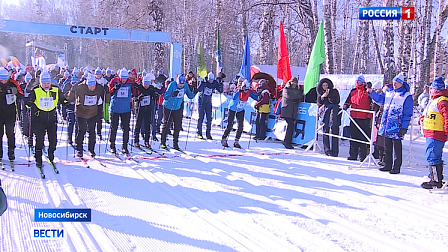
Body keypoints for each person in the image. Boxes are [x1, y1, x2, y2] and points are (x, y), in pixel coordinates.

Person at [368, 73, 413, 174]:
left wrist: (404, 127)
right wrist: (371, 92)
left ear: (401, 83)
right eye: (393, 83)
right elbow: (380, 99)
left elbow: (408, 113)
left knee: (397, 146)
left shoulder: (406, 95)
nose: (394, 85)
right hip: (386, 124)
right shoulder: (389, 92)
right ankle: (387, 164)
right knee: (387, 145)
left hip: (397, 124)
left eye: (396, 83)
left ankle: (397, 166)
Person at [26, 71, 67, 167]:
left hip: (51, 118)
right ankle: (38, 158)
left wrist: (65, 102)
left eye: (48, 83)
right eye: (44, 83)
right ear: (40, 83)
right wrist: (29, 103)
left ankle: (51, 154)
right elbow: (29, 101)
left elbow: (62, 98)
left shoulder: (56, 90)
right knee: (39, 140)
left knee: (53, 140)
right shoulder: (36, 90)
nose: (46, 85)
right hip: (39, 119)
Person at [420, 77, 448, 189]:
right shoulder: (434, 100)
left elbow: (446, 116)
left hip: (436, 133)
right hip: (431, 132)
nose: (430, 90)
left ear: (436, 89)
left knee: (432, 156)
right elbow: (429, 113)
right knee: (433, 155)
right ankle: (433, 176)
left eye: (432, 88)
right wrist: (422, 119)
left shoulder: (442, 101)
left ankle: (436, 180)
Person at [67, 73, 104, 157]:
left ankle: (91, 149)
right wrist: (72, 90)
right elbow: (70, 99)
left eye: (93, 85)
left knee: (92, 131)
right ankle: (79, 149)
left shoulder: (99, 88)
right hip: (81, 112)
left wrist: (107, 91)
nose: (92, 87)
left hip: (93, 112)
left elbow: (106, 99)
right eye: (90, 85)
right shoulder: (80, 87)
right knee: (81, 131)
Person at [160, 74, 196, 150]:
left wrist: (195, 92)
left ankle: (175, 143)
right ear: (177, 82)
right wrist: (172, 94)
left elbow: (190, 96)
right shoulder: (172, 85)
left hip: (178, 108)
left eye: (182, 84)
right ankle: (163, 142)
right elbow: (165, 97)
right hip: (168, 107)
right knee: (167, 124)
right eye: (179, 84)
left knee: (177, 126)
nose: (181, 86)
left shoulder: (185, 86)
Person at [343, 75, 372, 161]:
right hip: (354, 117)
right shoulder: (353, 91)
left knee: (362, 138)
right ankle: (353, 155)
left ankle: (362, 156)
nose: (357, 82)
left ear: (363, 82)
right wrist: (345, 105)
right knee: (353, 137)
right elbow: (348, 101)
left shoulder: (367, 92)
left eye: (359, 81)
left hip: (364, 118)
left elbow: (372, 103)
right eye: (357, 81)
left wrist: (369, 117)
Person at [221, 79, 258, 148]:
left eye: (247, 89)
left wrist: (258, 93)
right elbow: (234, 97)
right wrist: (240, 90)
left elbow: (256, 97)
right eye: (245, 89)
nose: (246, 91)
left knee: (240, 126)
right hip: (232, 108)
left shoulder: (249, 92)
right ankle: (224, 138)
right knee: (230, 125)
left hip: (240, 109)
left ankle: (236, 141)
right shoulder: (238, 90)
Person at [108, 68, 135, 155]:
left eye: (125, 78)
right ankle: (112, 145)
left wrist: (137, 91)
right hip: (115, 108)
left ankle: (125, 146)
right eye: (122, 78)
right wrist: (114, 89)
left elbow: (135, 92)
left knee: (126, 128)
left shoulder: (130, 82)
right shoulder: (114, 80)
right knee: (114, 128)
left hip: (126, 109)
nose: (123, 80)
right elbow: (109, 93)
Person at [0, 67, 24, 161]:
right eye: (1, 79)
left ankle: (11, 152)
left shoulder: (13, 83)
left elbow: (21, 95)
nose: (3, 81)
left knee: (10, 133)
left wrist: (16, 93)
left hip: (10, 113)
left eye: (5, 79)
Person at [275, 77, 303, 149]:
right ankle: (287, 142)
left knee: (291, 126)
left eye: (295, 82)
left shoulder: (297, 89)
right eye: (293, 82)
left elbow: (300, 96)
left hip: (293, 110)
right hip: (287, 109)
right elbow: (289, 96)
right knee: (290, 126)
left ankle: (287, 141)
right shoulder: (286, 89)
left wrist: (298, 96)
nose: (294, 84)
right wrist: (297, 97)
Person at [317, 78, 340, 156]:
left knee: (335, 132)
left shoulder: (334, 91)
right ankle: (327, 150)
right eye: (323, 85)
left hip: (334, 114)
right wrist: (323, 97)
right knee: (325, 132)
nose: (325, 87)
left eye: (326, 85)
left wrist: (328, 96)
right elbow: (319, 103)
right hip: (325, 115)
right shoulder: (320, 93)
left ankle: (335, 151)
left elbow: (337, 101)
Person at [134, 75, 158, 149]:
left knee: (148, 125)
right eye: (145, 84)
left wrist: (155, 97)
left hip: (148, 109)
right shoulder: (139, 88)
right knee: (138, 125)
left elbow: (154, 95)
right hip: (139, 109)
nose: (146, 86)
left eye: (147, 84)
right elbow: (134, 98)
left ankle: (147, 141)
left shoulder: (151, 88)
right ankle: (136, 140)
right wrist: (138, 98)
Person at [197, 72, 222, 140]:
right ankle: (199, 132)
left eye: (212, 80)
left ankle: (208, 133)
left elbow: (220, 90)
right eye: (209, 80)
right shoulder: (204, 81)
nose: (210, 82)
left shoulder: (214, 82)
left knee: (209, 118)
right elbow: (198, 89)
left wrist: (220, 84)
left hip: (208, 102)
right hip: (201, 101)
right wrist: (202, 83)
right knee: (201, 117)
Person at [371, 82, 387, 166]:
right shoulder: (378, 96)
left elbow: (378, 101)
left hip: (383, 120)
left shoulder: (383, 97)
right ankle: (379, 156)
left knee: (383, 140)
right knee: (377, 138)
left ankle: (384, 158)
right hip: (378, 119)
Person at [63, 74, 78, 145]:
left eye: (75, 83)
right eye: (73, 83)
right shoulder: (67, 86)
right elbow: (64, 96)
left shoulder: (79, 88)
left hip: (78, 107)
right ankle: (69, 138)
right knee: (71, 122)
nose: (74, 84)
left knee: (78, 123)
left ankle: (77, 138)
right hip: (70, 106)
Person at [94, 67, 109, 139]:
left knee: (99, 118)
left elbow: (107, 86)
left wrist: (106, 89)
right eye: (97, 74)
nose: (98, 75)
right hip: (93, 102)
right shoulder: (93, 80)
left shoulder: (104, 80)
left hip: (100, 101)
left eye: (99, 74)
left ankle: (99, 132)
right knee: (92, 117)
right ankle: (90, 130)